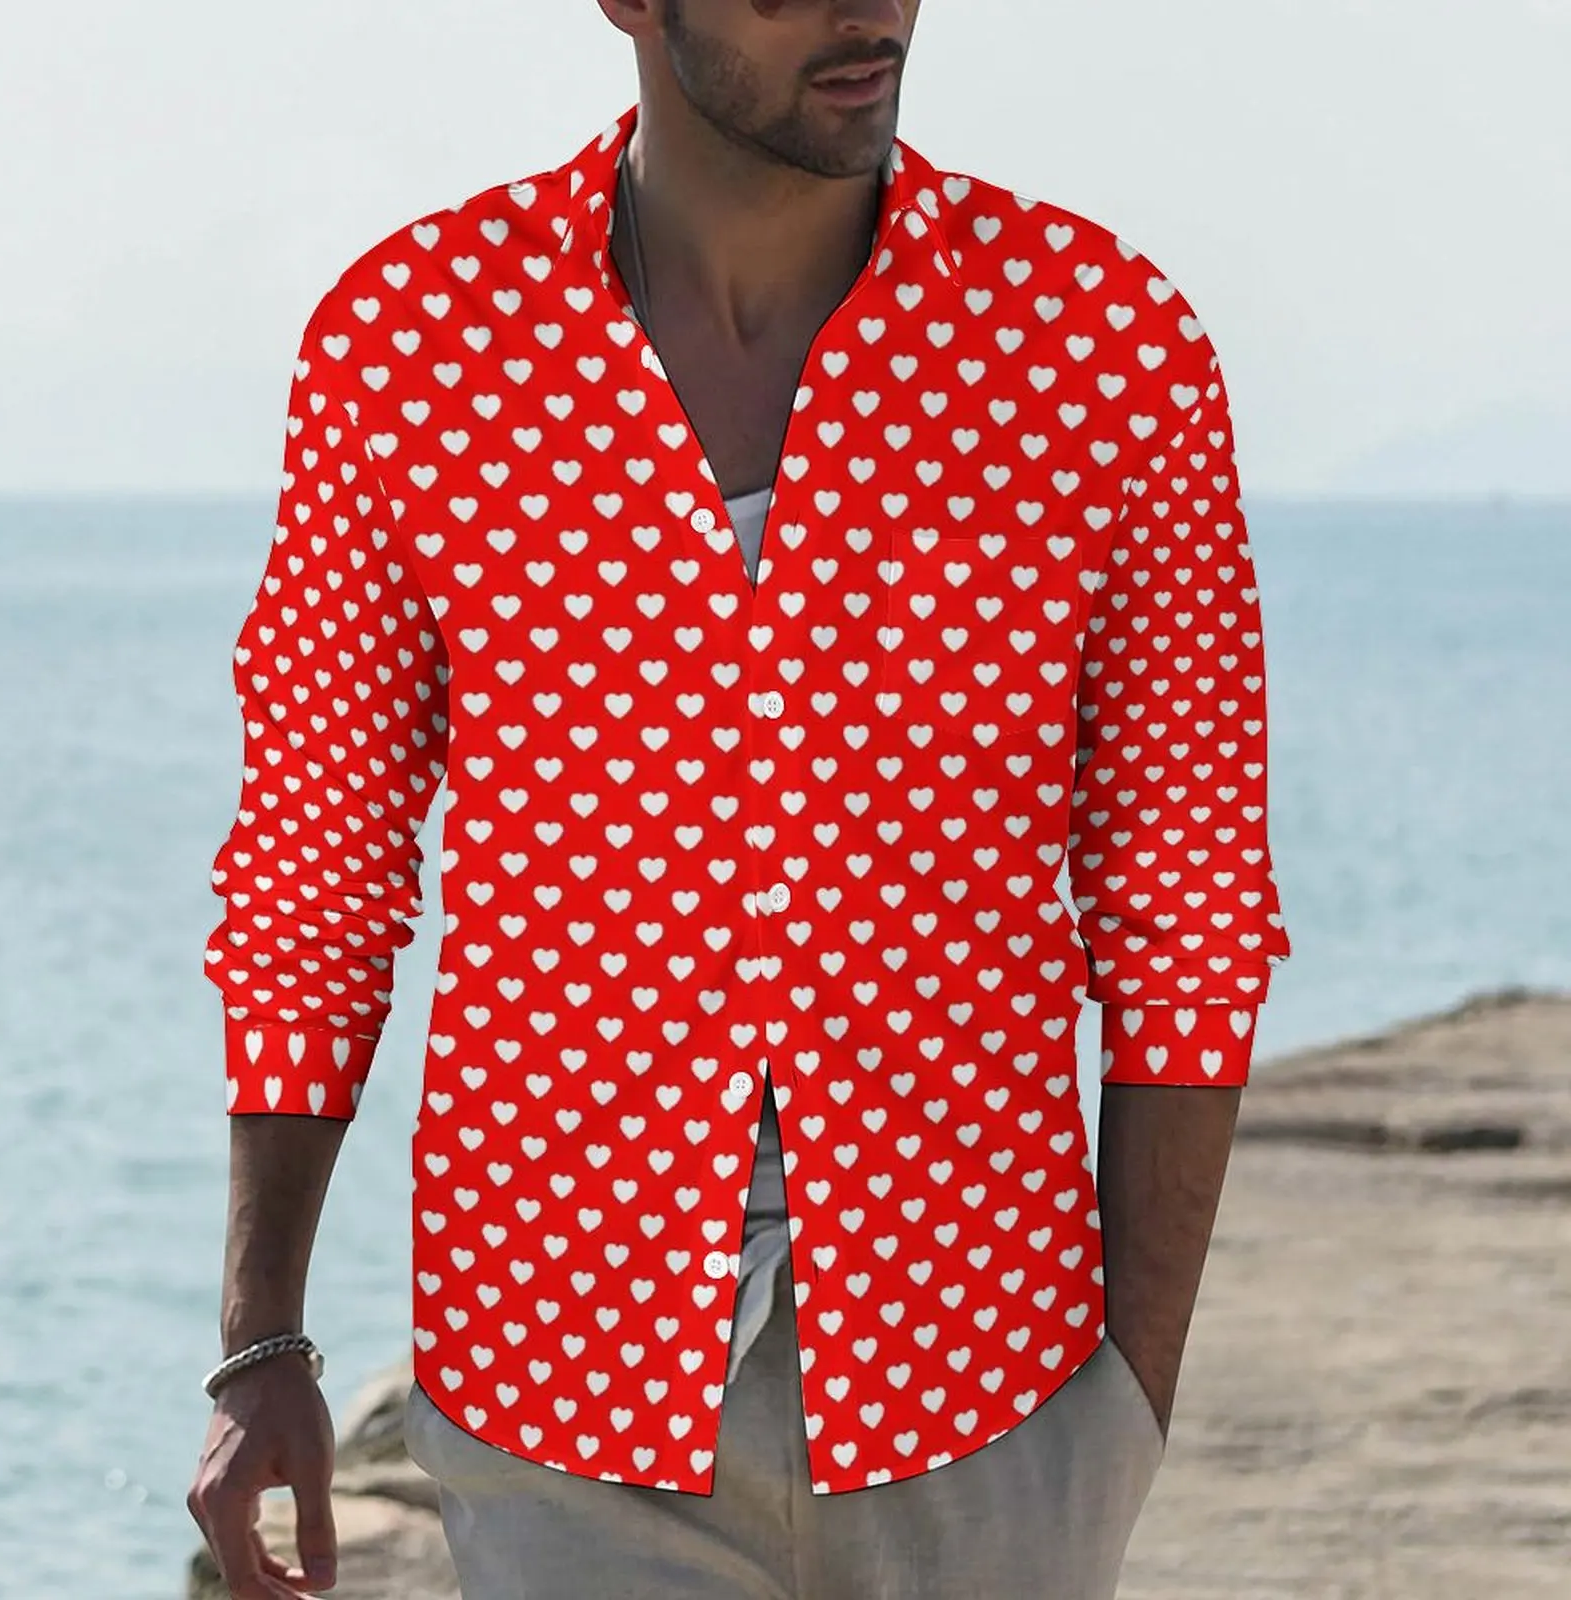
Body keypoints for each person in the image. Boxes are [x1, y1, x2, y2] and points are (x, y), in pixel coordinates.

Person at [186, 1, 1292, 1596]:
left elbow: (1188, 895)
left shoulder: (1102, 346)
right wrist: (261, 1340)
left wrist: (1129, 1400)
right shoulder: (417, 346)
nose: (871, 7)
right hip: (560, 1382)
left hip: (981, 1381)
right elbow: (318, 868)